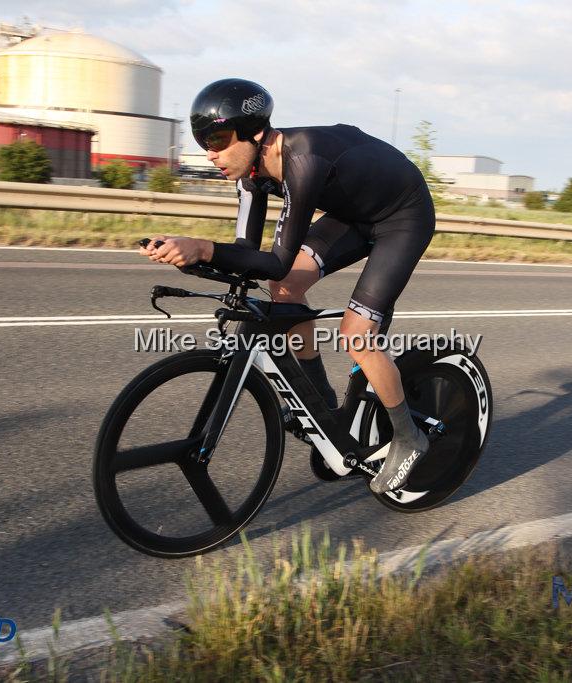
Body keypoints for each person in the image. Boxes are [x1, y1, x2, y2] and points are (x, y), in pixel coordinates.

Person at [140, 78, 435, 493]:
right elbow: (247, 251)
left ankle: (409, 437)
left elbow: (275, 261)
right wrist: (193, 256)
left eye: (220, 140)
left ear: (255, 133)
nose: (211, 154)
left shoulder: (303, 159)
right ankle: (322, 404)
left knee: (356, 335)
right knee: (285, 293)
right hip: (354, 214)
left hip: (402, 217)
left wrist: (204, 248)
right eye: (204, 142)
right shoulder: (251, 174)